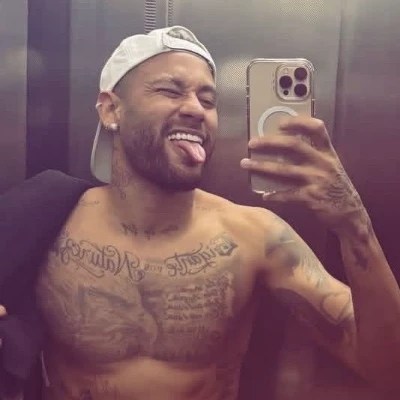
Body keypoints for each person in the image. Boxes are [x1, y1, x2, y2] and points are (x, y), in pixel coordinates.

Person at [1, 25, 400, 400]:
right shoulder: (48, 220)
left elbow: (389, 371)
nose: (196, 109)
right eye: (170, 91)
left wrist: (355, 224)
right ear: (110, 110)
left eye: (208, 100)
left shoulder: (254, 237)